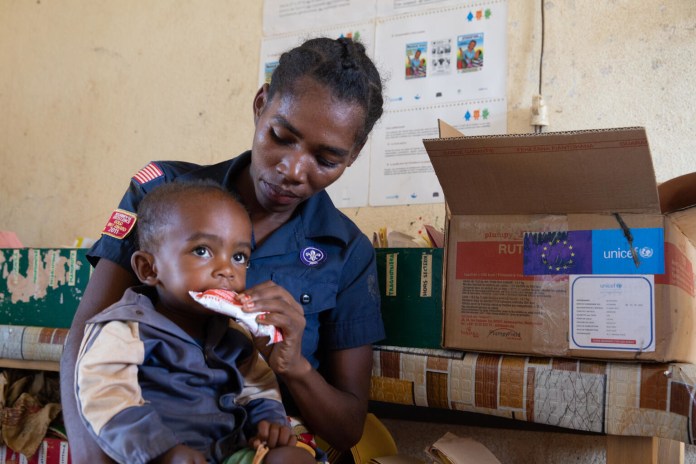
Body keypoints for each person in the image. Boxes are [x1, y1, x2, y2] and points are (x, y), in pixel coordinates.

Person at [60, 36, 386, 463]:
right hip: (145, 439)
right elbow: (87, 337)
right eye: (281, 136)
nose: (292, 170)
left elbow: (347, 428)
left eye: (326, 160)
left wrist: (293, 366)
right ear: (260, 104)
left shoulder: (347, 251)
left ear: (353, 155)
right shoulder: (163, 194)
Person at [74, 181, 315, 464]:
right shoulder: (126, 328)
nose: (226, 270)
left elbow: (258, 387)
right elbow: (105, 396)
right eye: (202, 251)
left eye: (239, 257)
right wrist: (163, 451)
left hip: (230, 451)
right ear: (149, 269)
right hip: (158, 454)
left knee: (293, 458)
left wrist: (269, 424)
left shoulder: (236, 335)